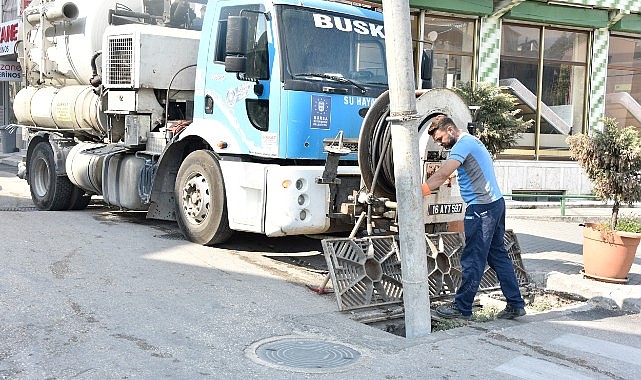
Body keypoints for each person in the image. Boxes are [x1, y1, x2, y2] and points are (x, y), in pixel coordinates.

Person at [422, 115, 526, 320]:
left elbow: (442, 173)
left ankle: (462, 307)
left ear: (450, 129)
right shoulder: (472, 141)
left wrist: (420, 190)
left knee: (473, 259)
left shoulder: (462, 144)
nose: (440, 144)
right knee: (497, 256)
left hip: (482, 209)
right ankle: (515, 304)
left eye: (440, 138)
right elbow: (467, 171)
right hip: (495, 204)